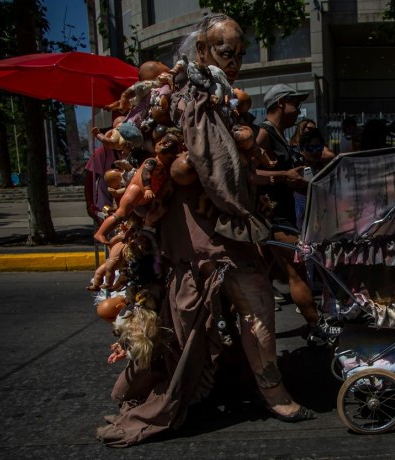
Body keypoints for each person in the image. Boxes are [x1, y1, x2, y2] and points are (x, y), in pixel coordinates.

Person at [96, 14, 314, 448]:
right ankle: (272, 395)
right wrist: (244, 211)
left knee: (230, 311)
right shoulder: (193, 98)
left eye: (238, 53)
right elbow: (216, 171)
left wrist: (271, 179)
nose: (233, 62)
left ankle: (252, 387)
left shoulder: (212, 97)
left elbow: (229, 169)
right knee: (246, 305)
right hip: (208, 234)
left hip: (213, 229)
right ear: (201, 51)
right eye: (224, 51)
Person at [255, 83, 340, 344]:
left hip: (282, 215)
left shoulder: (279, 134)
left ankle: (231, 330)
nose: (299, 109)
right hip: (275, 218)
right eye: (295, 103)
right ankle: (316, 326)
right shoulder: (264, 134)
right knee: (297, 272)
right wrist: (282, 176)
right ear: (281, 103)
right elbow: (246, 174)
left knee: (260, 276)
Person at [85, 138, 122, 221]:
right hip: (105, 206)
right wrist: (90, 204)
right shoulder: (103, 152)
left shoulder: (137, 150)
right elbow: (89, 180)